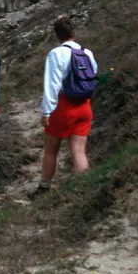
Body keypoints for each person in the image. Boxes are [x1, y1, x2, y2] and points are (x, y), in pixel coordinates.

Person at [37, 16, 98, 192]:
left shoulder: (56, 54)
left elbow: (52, 85)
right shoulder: (87, 53)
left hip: (63, 106)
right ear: (74, 32)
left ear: (57, 35)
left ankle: (44, 187)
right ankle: (85, 188)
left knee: (51, 149)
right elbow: (93, 75)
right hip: (84, 106)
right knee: (79, 151)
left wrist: (46, 111)